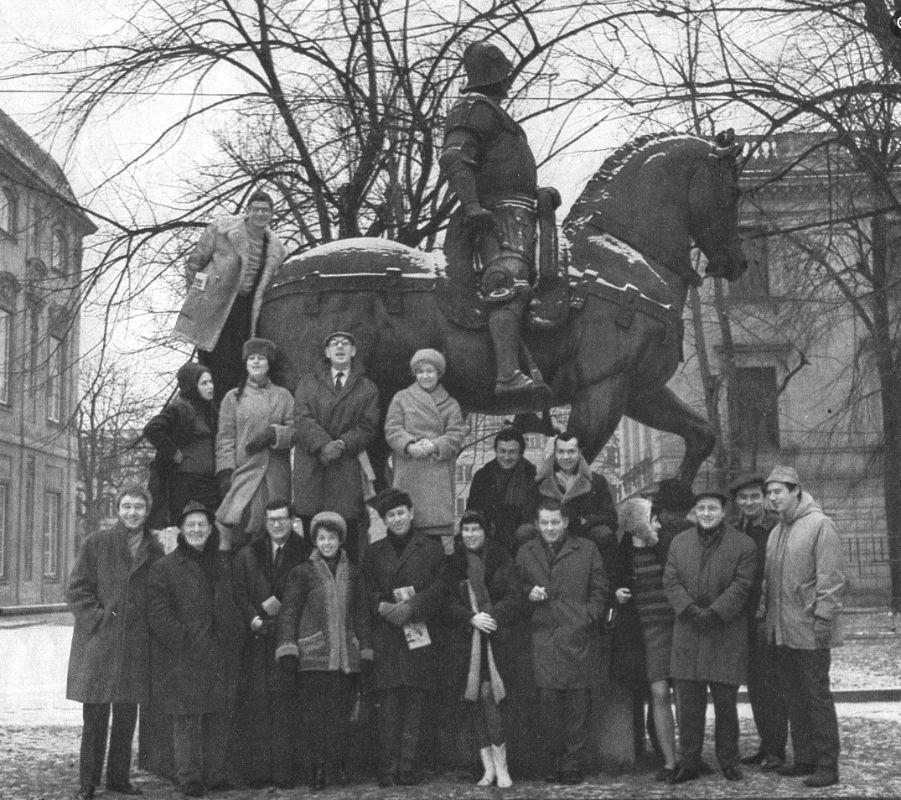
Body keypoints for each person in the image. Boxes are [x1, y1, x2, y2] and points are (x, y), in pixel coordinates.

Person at [440, 40, 558, 395]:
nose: (509, 79)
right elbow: (455, 157)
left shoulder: (493, 111)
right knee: (507, 277)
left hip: (522, 214)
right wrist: (473, 206)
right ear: (495, 74)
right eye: (505, 72)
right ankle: (507, 373)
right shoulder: (473, 107)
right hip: (495, 217)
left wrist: (539, 194)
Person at [66, 487, 164, 800]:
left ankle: (118, 779)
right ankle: (88, 782)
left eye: (138, 507)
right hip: (99, 643)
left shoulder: (154, 548)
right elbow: (76, 589)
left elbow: (159, 592)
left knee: (126, 715)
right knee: (95, 716)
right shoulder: (97, 542)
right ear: (118, 508)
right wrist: (98, 619)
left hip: (135, 643)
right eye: (126, 506)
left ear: (146, 511)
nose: (132, 512)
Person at [147, 501, 243, 798]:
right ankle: (189, 776)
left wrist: (232, 639)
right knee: (188, 716)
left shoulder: (223, 562)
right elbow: (158, 612)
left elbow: (235, 601)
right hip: (185, 653)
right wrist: (184, 641)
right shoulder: (165, 567)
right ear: (181, 530)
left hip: (220, 651)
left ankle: (215, 774)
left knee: (218, 713)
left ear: (211, 528)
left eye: (202, 525)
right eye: (191, 525)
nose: (197, 530)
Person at [759, 466, 845, 789]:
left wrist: (824, 619)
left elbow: (831, 579)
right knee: (794, 697)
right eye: (769, 493)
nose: (772, 498)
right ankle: (805, 758)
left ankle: (827, 764)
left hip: (810, 630)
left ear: (796, 490)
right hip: (782, 631)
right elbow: (770, 584)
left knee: (816, 697)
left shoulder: (820, 525)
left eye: (777, 491)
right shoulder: (776, 532)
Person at [663, 489, 756, 785]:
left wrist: (715, 613)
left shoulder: (743, 544)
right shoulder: (680, 542)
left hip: (725, 631)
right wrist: (690, 610)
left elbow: (742, 585)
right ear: (694, 512)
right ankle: (689, 762)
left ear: (723, 512)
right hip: (689, 631)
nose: (706, 513)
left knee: (726, 705)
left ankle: (729, 760)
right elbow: (671, 579)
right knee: (688, 705)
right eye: (701, 508)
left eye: (712, 508)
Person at [276, 512, 372, 790]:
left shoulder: (353, 572)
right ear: (315, 541)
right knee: (315, 718)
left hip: (346, 658)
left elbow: (362, 613)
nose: (327, 543)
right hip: (313, 658)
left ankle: (338, 768)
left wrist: (364, 648)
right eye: (321, 538)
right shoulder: (302, 572)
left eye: (332, 538)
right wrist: (287, 648)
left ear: (340, 540)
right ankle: (317, 770)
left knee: (340, 718)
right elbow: (289, 612)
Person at [516, 499, 609, 785]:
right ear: (536, 524)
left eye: (555, 522)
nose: (550, 528)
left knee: (577, 705)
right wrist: (527, 594)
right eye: (544, 523)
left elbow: (600, 588)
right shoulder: (525, 551)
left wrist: (587, 616)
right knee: (548, 704)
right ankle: (552, 761)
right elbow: (513, 586)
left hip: (576, 634)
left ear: (566, 522)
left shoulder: (586, 549)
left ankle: (572, 764)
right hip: (544, 635)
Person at [362, 488, 449, 787]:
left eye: (401, 513)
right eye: (390, 515)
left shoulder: (432, 548)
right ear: (384, 519)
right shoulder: (374, 551)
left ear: (411, 514)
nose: (397, 519)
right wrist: (382, 607)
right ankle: (388, 769)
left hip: (419, 634)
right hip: (386, 636)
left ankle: (408, 768)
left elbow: (441, 587)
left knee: (415, 705)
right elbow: (365, 588)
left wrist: (413, 607)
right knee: (387, 706)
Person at [173, 190, 288, 403]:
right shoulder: (221, 231)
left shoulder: (275, 249)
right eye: (255, 209)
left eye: (265, 210)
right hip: (215, 308)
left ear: (271, 214)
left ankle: (227, 419)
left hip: (244, 311)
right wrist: (198, 297)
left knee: (237, 368)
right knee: (211, 369)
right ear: (247, 211)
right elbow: (194, 264)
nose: (260, 214)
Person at [233, 500, 312, 788]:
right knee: (258, 704)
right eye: (271, 520)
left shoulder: (306, 552)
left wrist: (284, 625)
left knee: (285, 707)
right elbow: (239, 591)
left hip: (289, 640)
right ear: (264, 522)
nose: (276, 525)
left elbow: (307, 594)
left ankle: (284, 772)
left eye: (282, 519)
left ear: (293, 520)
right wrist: (253, 618)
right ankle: (258, 771)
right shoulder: (248, 554)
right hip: (256, 639)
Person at [444, 510, 523, 787]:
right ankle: (487, 768)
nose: (471, 535)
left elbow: (515, 595)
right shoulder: (453, 564)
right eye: (466, 530)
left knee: (491, 697)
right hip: (466, 642)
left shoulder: (501, 558)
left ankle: (503, 767)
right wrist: (470, 618)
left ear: (485, 532)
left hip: (497, 640)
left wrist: (490, 616)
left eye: (476, 529)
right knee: (474, 700)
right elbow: (446, 601)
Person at [294, 330, 380, 562]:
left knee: (347, 538)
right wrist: (322, 445)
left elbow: (368, 425)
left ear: (353, 351)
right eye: (334, 344)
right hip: (313, 467)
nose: (340, 347)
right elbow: (301, 418)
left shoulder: (367, 388)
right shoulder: (307, 382)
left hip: (346, 469)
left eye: (345, 344)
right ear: (327, 352)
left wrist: (341, 444)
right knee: (311, 538)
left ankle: (346, 591)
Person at [611, 497, 678, 782]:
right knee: (660, 694)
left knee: (683, 695)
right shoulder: (622, 556)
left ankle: (688, 758)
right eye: (652, 519)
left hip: (677, 629)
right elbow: (609, 585)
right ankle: (670, 762)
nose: (658, 524)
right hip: (646, 635)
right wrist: (616, 594)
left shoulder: (666, 549)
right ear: (638, 523)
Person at [729, 473, 787, 771]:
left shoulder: (776, 526)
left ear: (764, 499)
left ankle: (776, 749)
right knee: (754, 683)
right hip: (744, 614)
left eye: (755, 497)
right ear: (737, 502)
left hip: (770, 612)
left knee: (770, 682)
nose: (749, 502)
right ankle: (767, 744)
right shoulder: (736, 529)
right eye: (743, 498)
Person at [215, 338, 295, 550]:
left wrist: (273, 434)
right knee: (241, 532)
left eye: (261, 358)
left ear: (269, 364)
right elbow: (225, 437)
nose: (256, 362)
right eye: (252, 359)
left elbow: (295, 431)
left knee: (274, 534)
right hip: (245, 472)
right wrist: (225, 471)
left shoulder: (283, 396)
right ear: (246, 363)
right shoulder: (233, 397)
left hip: (275, 475)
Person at [384, 349, 466, 549]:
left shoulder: (450, 404)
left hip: (436, 472)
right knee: (405, 530)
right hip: (409, 468)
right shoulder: (401, 398)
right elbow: (392, 429)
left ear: (439, 373)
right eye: (420, 372)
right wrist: (409, 445)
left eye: (430, 371)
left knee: (432, 540)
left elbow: (456, 435)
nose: (425, 376)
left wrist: (435, 445)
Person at [515, 431, 617, 558]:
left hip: (583, 534)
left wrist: (582, 515)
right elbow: (528, 516)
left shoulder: (596, 481)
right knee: (524, 532)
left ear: (579, 452)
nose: (566, 457)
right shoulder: (540, 482)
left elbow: (610, 517)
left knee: (604, 534)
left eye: (571, 451)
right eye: (561, 452)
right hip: (549, 535)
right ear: (555, 453)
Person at [144, 362, 219, 529]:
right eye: (204, 383)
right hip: (187, 484)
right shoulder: (180, 408)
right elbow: (152, 429)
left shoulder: (211, 410)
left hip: (209, 483)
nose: (210, 387)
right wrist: (173, 452)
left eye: (211, 382)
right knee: (188, 528)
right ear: (192, 385)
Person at [465, 428, 538, 555]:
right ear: (496, 451)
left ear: (521, 453)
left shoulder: (531, 477)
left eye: (512, 452)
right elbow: (472, 511)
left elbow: (531, 516)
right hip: (489, 537)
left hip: (521, 540)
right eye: (502, 451)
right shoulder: (483, 476)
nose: (506, 457)